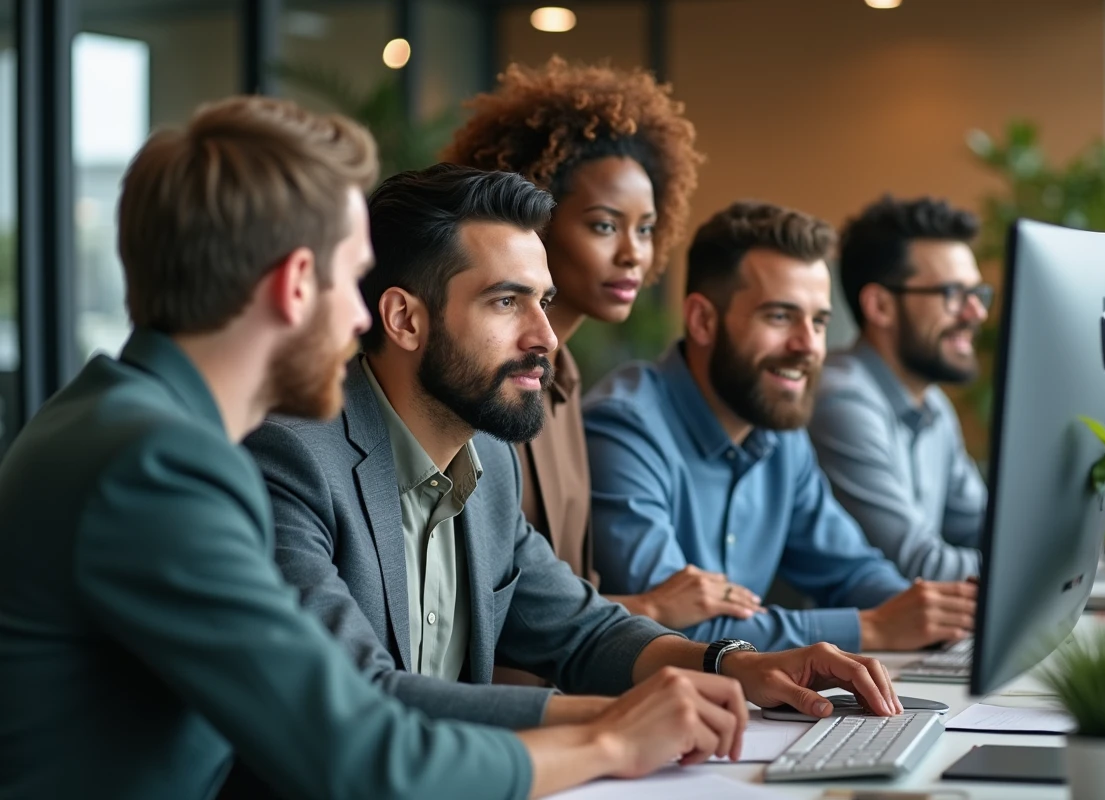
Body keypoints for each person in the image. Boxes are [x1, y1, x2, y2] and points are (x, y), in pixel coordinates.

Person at [0, 97, 777, 800]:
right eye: (353, 278)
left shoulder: (132, 427)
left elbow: (558, 636)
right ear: (296, 284)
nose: (359, 316)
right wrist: (612, 738)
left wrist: (712, 672)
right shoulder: (158, 464)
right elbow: (359, 749)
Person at [244, 163, 902, 741]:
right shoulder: (292, 459)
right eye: (506, 302)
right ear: (405, 319)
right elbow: (357, 698)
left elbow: (586, 630)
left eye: (544, 302)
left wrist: (737, 664)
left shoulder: (488, 464)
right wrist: (611, 724)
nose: (546, 338)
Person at [440, 57, 762, 630]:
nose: (634, 254)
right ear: (535, 224)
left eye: (646, 229)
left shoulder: (563, 380)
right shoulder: (481, 380)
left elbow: (563, 588)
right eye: (605, 225)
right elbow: (483, 606)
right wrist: (652, 608)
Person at [584, 200, 979, 655]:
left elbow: (850, 570)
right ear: (702, 320)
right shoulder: (625, 428)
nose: (808, 345)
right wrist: (871, 629)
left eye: (819, 321)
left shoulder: (779, 431)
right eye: (779, 316)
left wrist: (927, 615)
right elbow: (669, 631)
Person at [810, 195, 990, 582]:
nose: (977, 312)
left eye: (978, 294)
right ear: (880, 306)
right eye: (953, 294)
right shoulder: (840, 402)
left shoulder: (933, 405)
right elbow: (917, 568)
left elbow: (982, 528)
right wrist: (1038, 567)